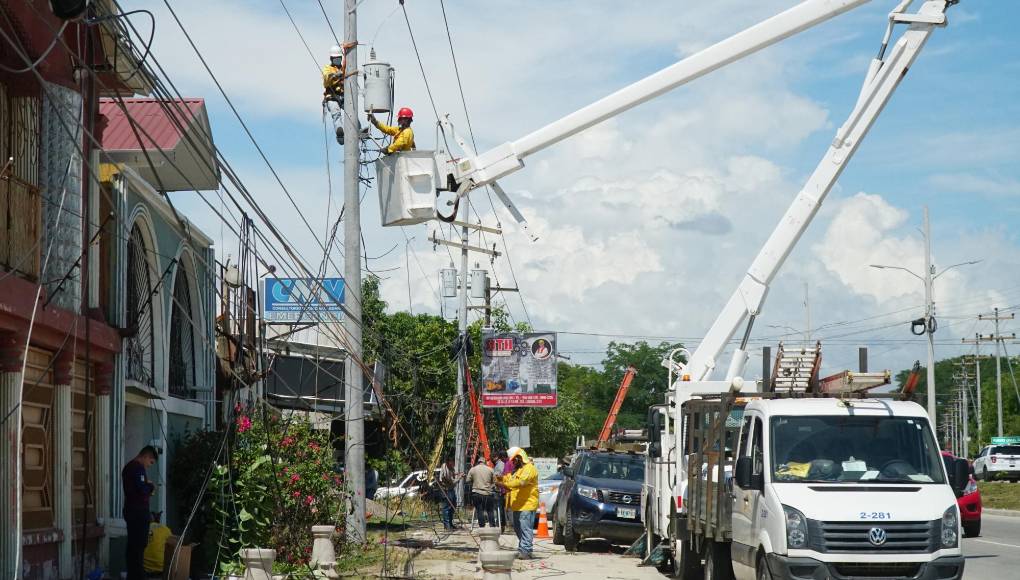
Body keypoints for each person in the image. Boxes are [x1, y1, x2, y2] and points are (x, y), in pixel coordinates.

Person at [122, 446, 158, 580]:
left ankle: (133, 576)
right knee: (138, 547)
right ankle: (138, 576)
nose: (149, 466)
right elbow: (142, 489)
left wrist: (147, 486)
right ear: (146, 456)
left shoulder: (129, 467)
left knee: (133, 547)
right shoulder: (137, 468)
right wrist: (151, 486)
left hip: (132, 511)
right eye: (151, 462)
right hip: (138, 513)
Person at [500, 448, 539, 560]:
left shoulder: (529, 469)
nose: (512, 462)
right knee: (518, 528)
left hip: (527, 504)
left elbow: (520, 482)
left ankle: (526, 550)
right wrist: (500, 479)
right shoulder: (517, 470)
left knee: (525, 529)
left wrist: (505, 485)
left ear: (519, 457)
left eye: (514, 460)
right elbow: (509, 479)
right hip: (517, 505)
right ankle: (523, 549)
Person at [322, 45, 345, 145]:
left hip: (344, 96)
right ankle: (340, 133)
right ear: (331, 59)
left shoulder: (345, 68)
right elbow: (326, 79)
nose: (337, 60)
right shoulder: (328, 68)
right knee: (336, 114)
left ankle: (358, 129)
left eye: (339, 58)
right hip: (332, 97)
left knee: (352, 112)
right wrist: (335, 75)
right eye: (335, 58)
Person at [466, 457, 496, 528]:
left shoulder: (473, 469)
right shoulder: (490, 469)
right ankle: (492, 525)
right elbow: (495, 482)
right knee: (490, 510)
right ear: (484, 462)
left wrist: (474, 480)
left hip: (476, 493)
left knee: (479, 510)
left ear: (478, 462)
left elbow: (467, 480)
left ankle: (482, 526)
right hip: (488, 493)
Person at [143, 511, 172, 575]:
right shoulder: (166, 530)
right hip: (162, 568)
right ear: (159, 519)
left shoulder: (143, 529)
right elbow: (172, 545)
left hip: (145, 568)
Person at [437, 456, 461, 530]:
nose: (453, 464)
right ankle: (447, 525)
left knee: (453, 507)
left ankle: (450, 524)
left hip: (451, 490)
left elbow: (452, 476)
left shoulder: (451, 468)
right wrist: (459, 478)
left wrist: (457, 474)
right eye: (452, 462)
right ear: (449, 462)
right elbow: (450, 481)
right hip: (446, 490)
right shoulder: (445, 468)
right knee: (447, 508)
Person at [493, 450, 509, 531]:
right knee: (501, 508)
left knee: (499, 508)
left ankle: (501, 525)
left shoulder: (501, 465)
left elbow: (500, 476)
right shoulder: (504, 464)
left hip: (500, 489)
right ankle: (502, 524)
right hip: (503, 489)